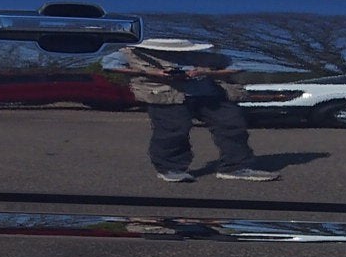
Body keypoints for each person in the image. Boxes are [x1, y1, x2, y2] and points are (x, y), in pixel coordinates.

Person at [108, 38, 278, 183]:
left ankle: (236, 166)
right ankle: (170, 169)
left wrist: (204, 72)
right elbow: (110, 65)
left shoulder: (205, 55)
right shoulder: (131, 52)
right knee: (173, 131)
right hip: (166, 95)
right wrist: (155, 73)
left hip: (208, 94)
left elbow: (238, 65)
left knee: (232, 125)